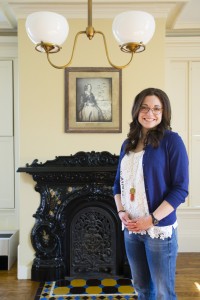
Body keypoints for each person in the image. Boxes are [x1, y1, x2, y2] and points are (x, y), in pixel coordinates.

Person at [113, 87, 189, 300]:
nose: (150, 113)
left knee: (164, 292)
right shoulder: (127, 144)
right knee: (142, 288)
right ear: (137, 110)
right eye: (145, 108)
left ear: (164, 112)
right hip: (132, 230)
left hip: (159, 230)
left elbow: (180, 189)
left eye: (157, 108)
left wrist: (152, 219)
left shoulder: (172, 141)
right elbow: (117, 185)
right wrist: (121, 212)